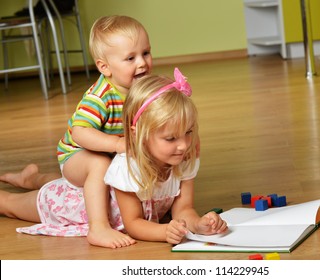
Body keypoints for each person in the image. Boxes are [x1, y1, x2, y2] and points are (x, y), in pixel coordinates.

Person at [0, 69, 227, 245]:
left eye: (188, 132)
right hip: (69, 205)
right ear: (140, 136)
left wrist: (198, 224)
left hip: (87, 188)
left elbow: (183, 209)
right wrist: (163, 231)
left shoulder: (184, 157)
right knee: (9, 205)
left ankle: (30, 178)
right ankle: (29, 184)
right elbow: (133, 223)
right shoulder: (128, 167)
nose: (183, 145)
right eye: (170, 139)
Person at [0, 15, 153, 249]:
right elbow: (80, 133)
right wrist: (115, 144)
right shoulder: (100, 97)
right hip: (77, 154)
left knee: (93, 177)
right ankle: (98, 227)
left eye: (146, 53)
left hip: (110, 153)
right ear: (104, 67)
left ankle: (31, 179)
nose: (142, 63)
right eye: (130, 58)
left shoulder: (142, 88)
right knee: (99, 166)